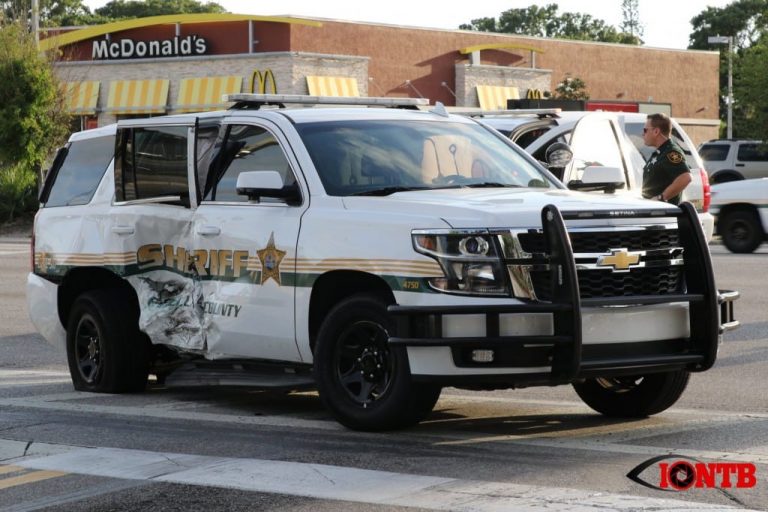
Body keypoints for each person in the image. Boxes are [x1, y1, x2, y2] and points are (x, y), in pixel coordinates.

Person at [641, 113, 692, 204]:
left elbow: (685, 177)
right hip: (654, 212)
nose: (642, 134)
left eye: (645, 130)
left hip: (664, 214)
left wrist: (661, 197)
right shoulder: (660, 152)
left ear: (656, 131)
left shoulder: (671, 152)